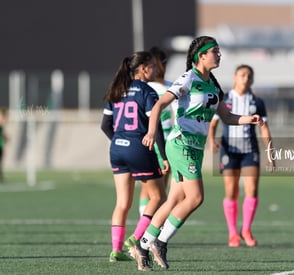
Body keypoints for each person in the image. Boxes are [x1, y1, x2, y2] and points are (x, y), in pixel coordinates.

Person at [131, 36, 264, 271]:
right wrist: (152, 131)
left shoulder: (213, 85)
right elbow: (160, 105)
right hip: (180, 144)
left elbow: (228, 118)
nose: (219, 55)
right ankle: (160, 242)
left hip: (195, 148)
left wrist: (249, 120)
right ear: (201, 56)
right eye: (215, 51)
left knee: (174, 199)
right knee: (196, 198)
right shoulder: (188, 78)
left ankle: (142, 243)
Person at [100, 51, 169, 263]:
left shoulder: (116, 90)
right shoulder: (147, 92)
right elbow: (155, 128)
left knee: (122, 202)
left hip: (117, 149)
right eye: (152, 66)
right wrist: (164, 156)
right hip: (138, 148)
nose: (155, 70)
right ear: (142, 68)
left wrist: (120, 140)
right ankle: (135, 240)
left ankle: (115, 250)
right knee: (159, 197)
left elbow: (104, 125)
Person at [208, 64, 274, 248]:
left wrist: (270, 152)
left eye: (249, 76)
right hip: (229, 150)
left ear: (252, 80)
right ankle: (232, 233)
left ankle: (246, 230)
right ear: (235, 77)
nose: (245, 78)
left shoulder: (256, 102)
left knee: (252, 189)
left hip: (249, 150)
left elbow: (264, 128)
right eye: (242, 74)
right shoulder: (224, 99)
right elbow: (213, 124)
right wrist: (211, 139)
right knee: (231, 191)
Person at [137, 46, 173, 216]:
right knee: (158, 193)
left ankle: (145, 228)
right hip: (160, 142)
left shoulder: (168, 86)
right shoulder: (157, 88)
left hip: (154, 142)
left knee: (150, 191)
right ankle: (146, 232)